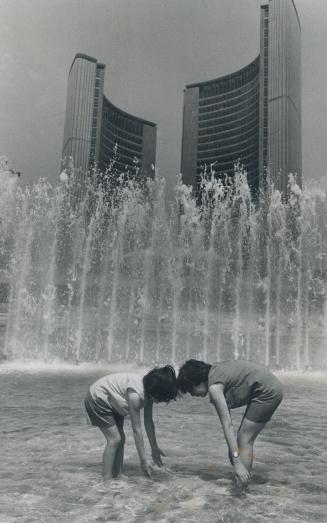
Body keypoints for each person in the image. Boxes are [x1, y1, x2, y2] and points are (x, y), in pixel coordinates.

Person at [177, 359, 283, 488]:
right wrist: (232, 450)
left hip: (267, 392)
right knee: (240, 441)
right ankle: (241, 480)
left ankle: (242, 487)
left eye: (190, 390)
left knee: (244, 439)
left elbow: (227, 425)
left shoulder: (214, 388)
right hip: (268, 385)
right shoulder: (215, 372)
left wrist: (237, 462)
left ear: (195, 382)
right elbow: (228, 420)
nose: (192, 395)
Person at [84, 365, 178, 480]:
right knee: (115, 439)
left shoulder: (149, 391)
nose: (161, 402)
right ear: (156, 392)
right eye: (162, 399)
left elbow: (148, 422)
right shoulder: (135, 396)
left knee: (121, 439)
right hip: (98, 397)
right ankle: (106, 479)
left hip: (114, 400)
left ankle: (118, 474)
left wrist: (154, 447)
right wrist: (143, 460)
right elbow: (136, 430)